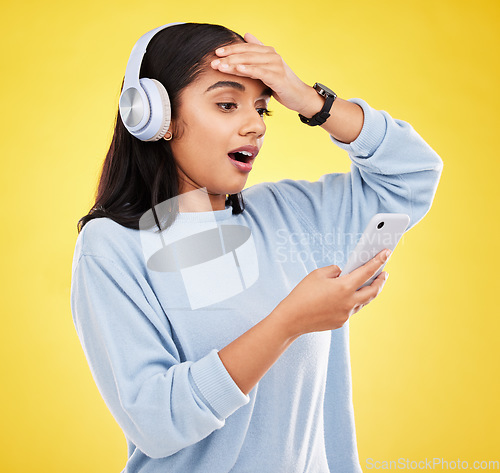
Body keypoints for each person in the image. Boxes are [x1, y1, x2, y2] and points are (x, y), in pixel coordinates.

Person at [70, 22, 443, 473]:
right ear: (156, 118)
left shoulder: (292, 215)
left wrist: (311, 100)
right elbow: (157, 421)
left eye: (262, 109)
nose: (254, 125)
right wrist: (287, 323)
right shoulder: (111, 246)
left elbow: (414, 173)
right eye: (227, 104)